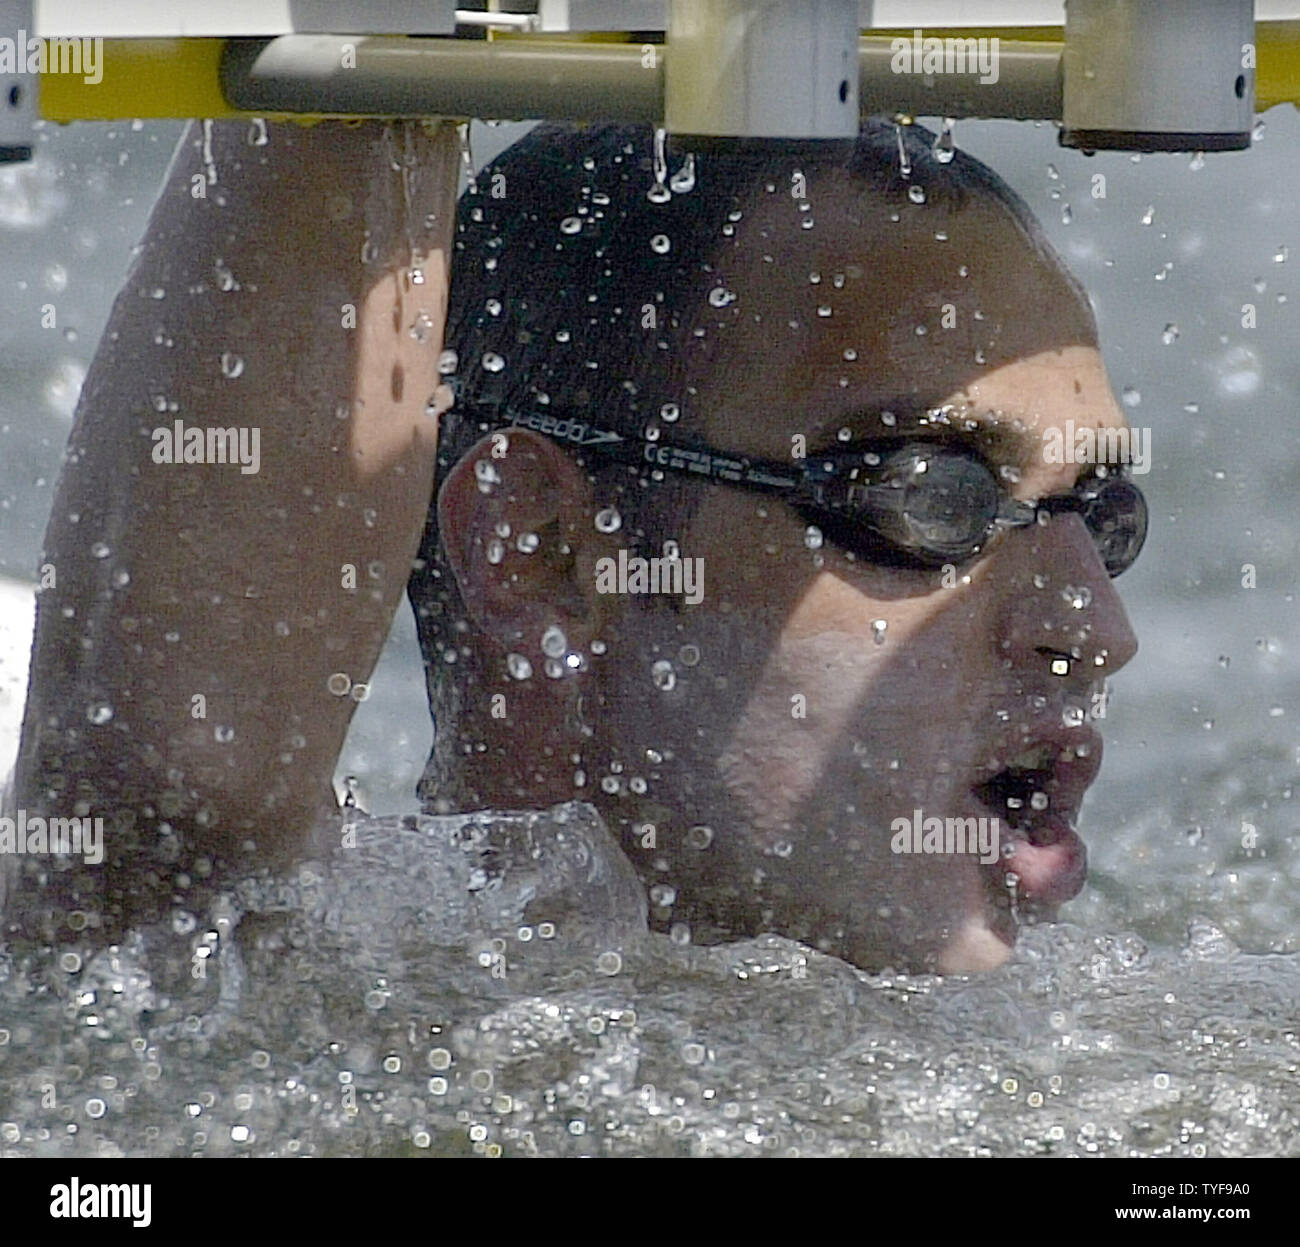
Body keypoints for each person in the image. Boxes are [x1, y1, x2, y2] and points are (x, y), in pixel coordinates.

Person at [6, 117, 1142, 974]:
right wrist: (358, 70)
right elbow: (163, 818)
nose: (1094, 629)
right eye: (926, 496)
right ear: (541, 546)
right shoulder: (302, 999)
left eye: (1100, 517)